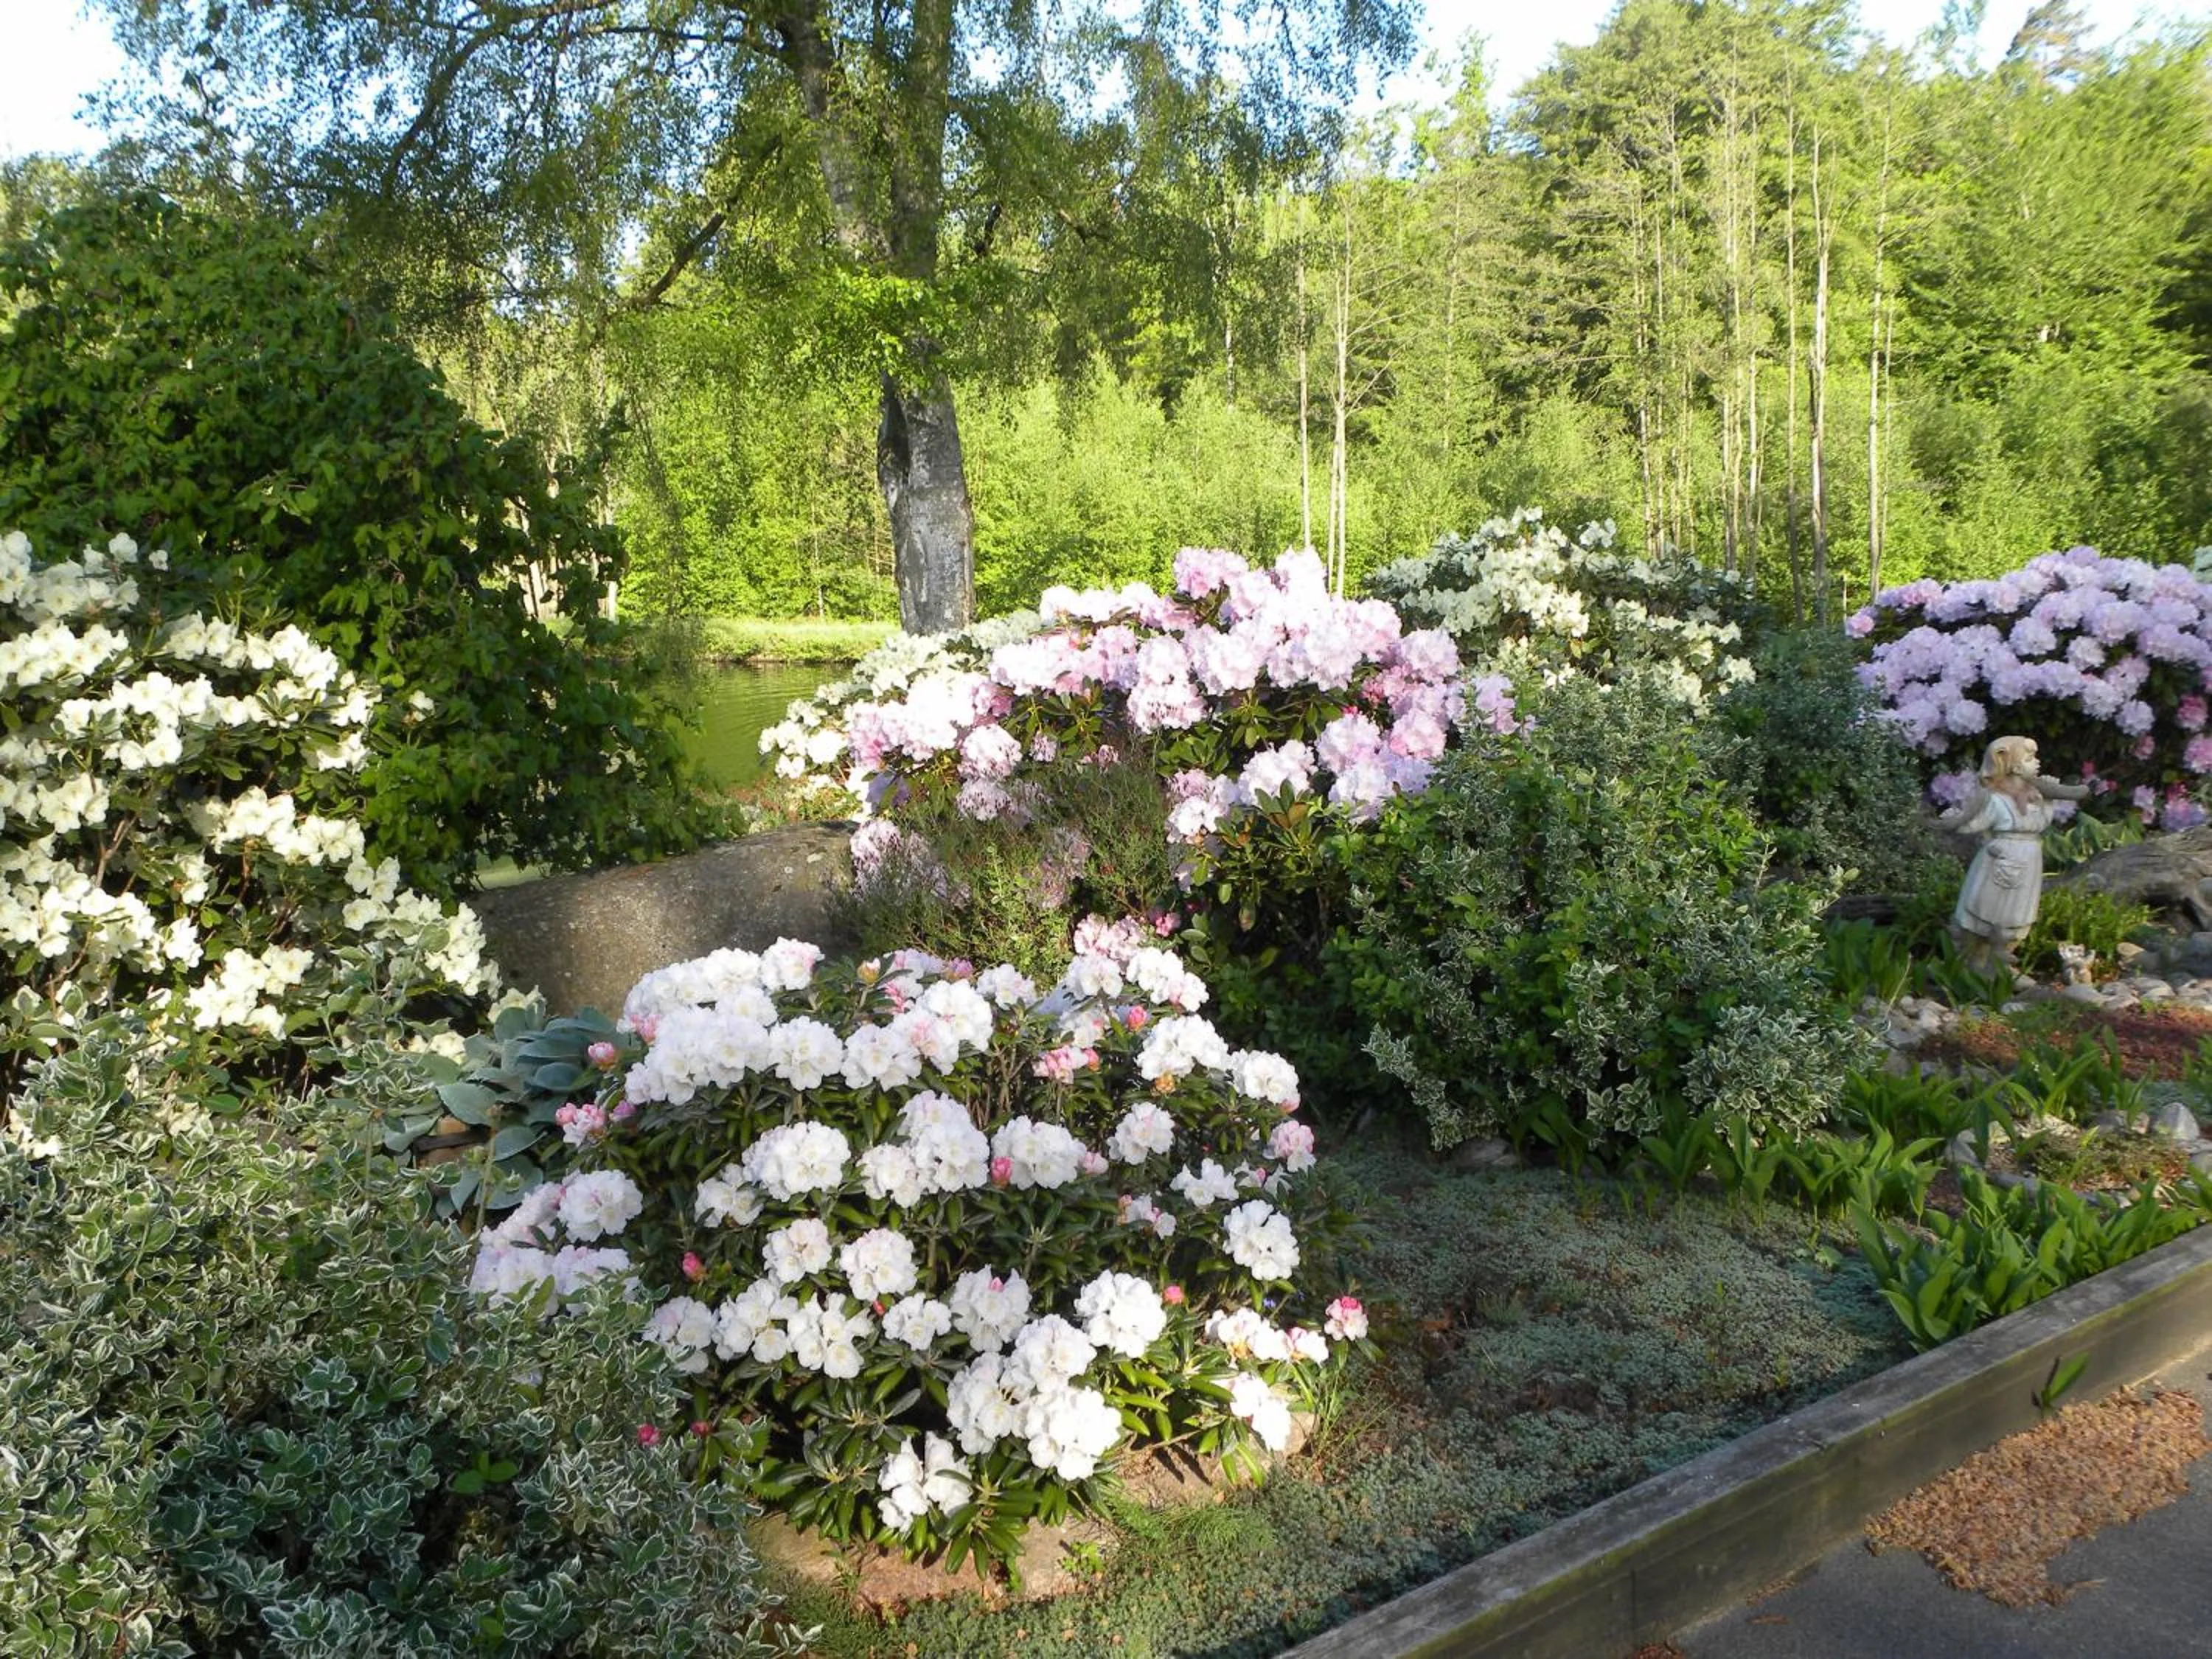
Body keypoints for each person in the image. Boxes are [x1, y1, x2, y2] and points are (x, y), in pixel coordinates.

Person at [1937, 735, 2090, 975]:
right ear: (2016, 767)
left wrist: (2048, 800)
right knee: (1985, 910)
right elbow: (1976, 823)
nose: (2037, 762)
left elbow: (2040, 822)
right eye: (2031, 758)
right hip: (2000, 858)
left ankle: (1999, 963)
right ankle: (1972, 964)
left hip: (2029, 859)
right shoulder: (1997, 800)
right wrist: (1955, 821)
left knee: (2016, 914)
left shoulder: (2034, 795)